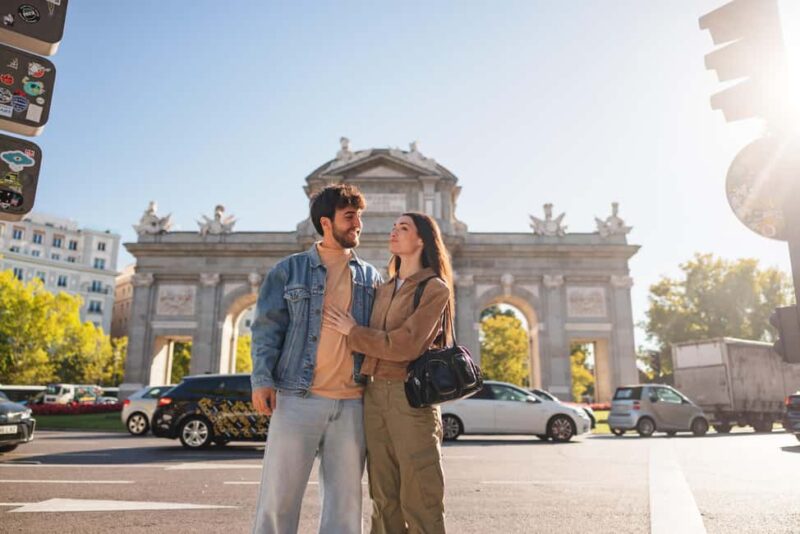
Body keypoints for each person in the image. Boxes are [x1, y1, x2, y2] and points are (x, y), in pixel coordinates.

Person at [250, 184, 382, 534]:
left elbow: (379, 336)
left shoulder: (371, 277)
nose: (358, 225)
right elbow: (267, 328)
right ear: (327, 222)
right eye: (350, 217)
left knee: (345, 504)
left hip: (352, 402)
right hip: (297, 397)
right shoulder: (288, 271)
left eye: (360, 217)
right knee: (279, 498)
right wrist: (262, 379)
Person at [323, 212, 453, 534]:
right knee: (383, 497)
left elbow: (406, 345)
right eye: (393, 227)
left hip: (409, 397)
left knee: (421, 495)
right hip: (373, 395)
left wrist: (354, 332)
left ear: (422, 239)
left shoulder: (434, 288)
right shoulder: (383, 287)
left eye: (403, 228)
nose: (393, 232)